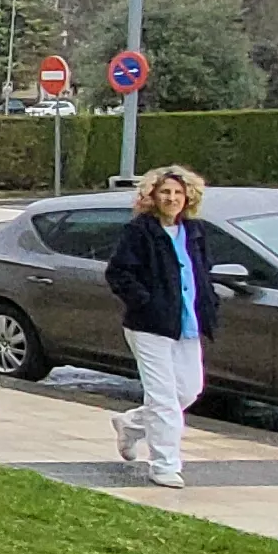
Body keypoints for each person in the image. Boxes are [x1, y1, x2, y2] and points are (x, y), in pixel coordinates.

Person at [101, 166, 218, 490]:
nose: (172, 198)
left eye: (178, 193)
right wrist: (145, 301)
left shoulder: (195, 232)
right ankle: (165, 465)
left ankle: (131, 424)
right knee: (164, 398)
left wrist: (208, 303)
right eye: (165, 192)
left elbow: (202, 272)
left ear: (188, 197)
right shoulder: (139, 232)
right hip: (149, 326)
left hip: (187, 324)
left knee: (188, 391)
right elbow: (118, 273)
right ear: (152, 196)